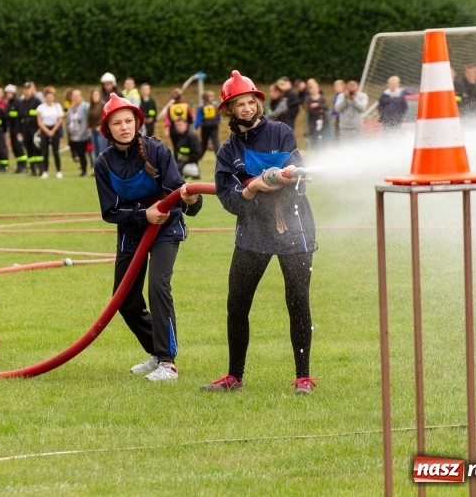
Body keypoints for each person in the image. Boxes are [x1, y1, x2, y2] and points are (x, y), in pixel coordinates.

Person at [201, 70, 316, 395]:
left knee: (298, 302)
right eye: (240, 104)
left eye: (251, 101)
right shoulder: (227, 152)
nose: (247, 108)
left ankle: (303, 378)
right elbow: (229, 200)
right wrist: (252, 188)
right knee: (237, 303)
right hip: (253, 233)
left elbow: (298, 175)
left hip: (294, 229)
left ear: (258, 103)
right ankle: (234, 376)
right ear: (229, 110)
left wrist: (286, 175)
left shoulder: (281, 132)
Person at [94, 94, 202, 382]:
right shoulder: (103, 163)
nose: (124, 127)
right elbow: (110, 211)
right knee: (125, 300)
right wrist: (144, 215)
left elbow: (179, 192)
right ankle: (156, 351)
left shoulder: (157, 150)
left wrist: (192, 201)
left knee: (158, 286)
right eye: (117, 123)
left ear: (137, 122)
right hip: (132, 232)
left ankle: (167, 362)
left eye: (128, 121)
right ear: (108, 129)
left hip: (165, 228)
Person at [36, 88, 64, 179]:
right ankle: (45, 171)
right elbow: (39, 121)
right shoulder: (41, 107)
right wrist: (47, 131)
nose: (49, 99)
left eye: (51, 97)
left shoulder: (57, 106)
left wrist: (53, 130)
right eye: (48, 97)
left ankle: (58, 171)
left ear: (53, 97)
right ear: (45, 98)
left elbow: (60, 120)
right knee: (44, 151)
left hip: (55, 129)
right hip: (44, 129)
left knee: (56, 151)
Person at [18, 82, 43, 176]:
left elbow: (41, 115)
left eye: (28, 89)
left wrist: (40, 128)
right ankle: (32, 169)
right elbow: (19, 118)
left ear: (32, 90)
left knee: (36, 147)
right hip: (25, 127)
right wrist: (19, 131)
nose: (27, 91)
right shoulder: (21, 102)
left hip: (34, 127)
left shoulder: (36, 101)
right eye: (25, 89)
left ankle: (41, 168)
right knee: (28, 147)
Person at [65, 89, 91, 177]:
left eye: (77, 96)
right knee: (76, 153)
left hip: (83, 134)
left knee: (82, 153)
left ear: (81, 97)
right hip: (72, 134)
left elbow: (89, 118)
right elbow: (68, 120)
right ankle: (82, 169)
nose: (75, 98)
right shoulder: (70, 108)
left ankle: (84, 171)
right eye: (74, 96)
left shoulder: (85, 106)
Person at [4, 84, 28, 173]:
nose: (8, 94)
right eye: (7, 93)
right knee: (14, 148)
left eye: (10, 93)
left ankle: (24, 166)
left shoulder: (18, 103)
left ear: (14, 93)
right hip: (12, 129)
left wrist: (20, 131)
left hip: (18, 129)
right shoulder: (9, 103)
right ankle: (19, 165)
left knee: (19, 148)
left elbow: (20, 117)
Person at [194, 90, 220, 159]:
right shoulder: (215, 104)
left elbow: (198, 117)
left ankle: (198, 158)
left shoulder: (201, 105)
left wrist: (196, 127)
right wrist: (218, 121)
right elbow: (218, 113)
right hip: (214, 124)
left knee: (204, 143)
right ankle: (219, 158)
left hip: (205, 125)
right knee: (215, 142)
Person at [304, 78, 329, 150]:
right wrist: (318, 109)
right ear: (310, 90)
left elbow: (326, 107)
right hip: (312, 122)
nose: (314, 90)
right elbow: (308, 109)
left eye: (315, 88)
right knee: (314, 140)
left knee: (324, 138)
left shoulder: (322, 98)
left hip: (323, 121)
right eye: (312, 88)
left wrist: (318, 105)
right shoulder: (308, 98)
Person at [87, 88, 107, 160]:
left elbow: (106, 117)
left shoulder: (103, 105)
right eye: (94, 95)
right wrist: (88, 127)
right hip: (93, 130)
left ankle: (104, 166)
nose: (95, 96)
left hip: (101, 131)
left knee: (102, 152)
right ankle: (97, 166)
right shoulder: (91, 106)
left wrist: (101, 126)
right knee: (95, 152)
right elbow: (89, 118)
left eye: (97, 94)